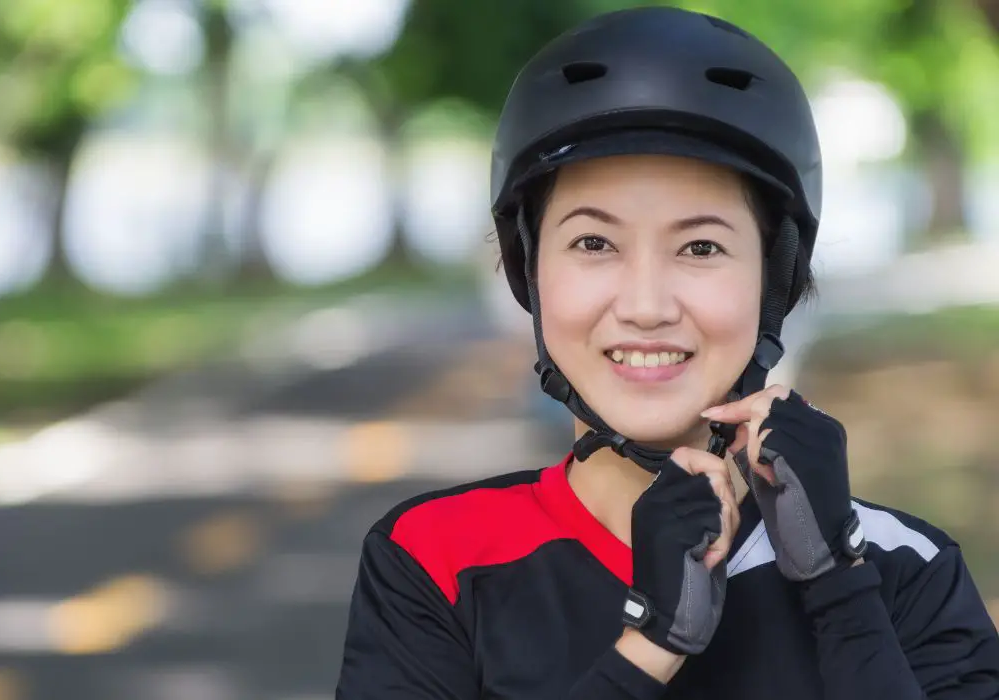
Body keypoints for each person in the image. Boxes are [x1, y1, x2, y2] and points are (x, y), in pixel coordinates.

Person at [334, 6, 999, 699]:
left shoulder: (905, 568)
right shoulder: (433, 559)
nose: (646, 305)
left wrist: (840, 584)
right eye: (594, 243)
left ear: (776, 279)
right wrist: (647, 648)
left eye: (701, 247)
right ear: (529, 271)